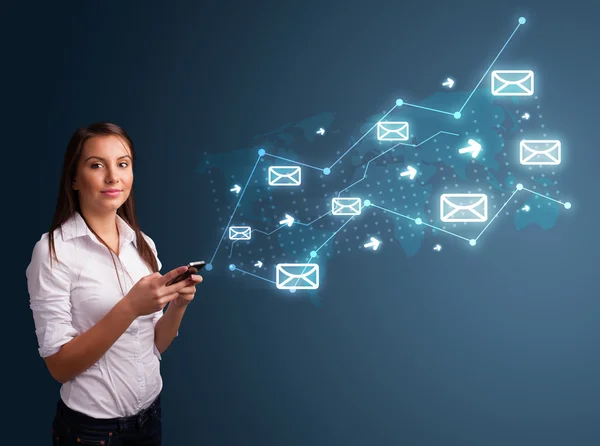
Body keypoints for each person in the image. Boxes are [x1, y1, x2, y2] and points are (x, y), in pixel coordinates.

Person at [25, 122, 203, 445]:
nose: (113, 177)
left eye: (123, 164)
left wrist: (178, 304)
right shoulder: (52, 252)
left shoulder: (142, 244)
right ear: (74, 179)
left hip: (150, 418)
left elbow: (155, 344)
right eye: (97, 165)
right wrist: (131, 306)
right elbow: (59, 367)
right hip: (92, 433)